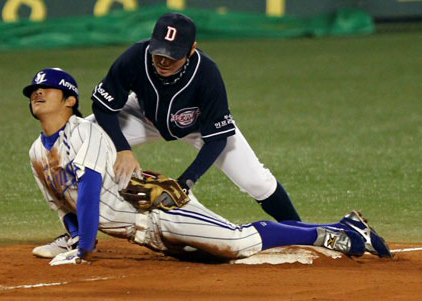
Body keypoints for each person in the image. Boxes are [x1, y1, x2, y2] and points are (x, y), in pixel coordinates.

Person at [23, 68, 391, 265]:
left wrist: (85, 248)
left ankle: (334, 230)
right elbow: (62, 204)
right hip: (143, 233)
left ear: (71, 100)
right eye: (33, 91)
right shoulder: (37, 153)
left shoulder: (86, 131)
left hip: (161, 213)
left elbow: (87, 190)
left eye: (47, 89)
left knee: (236, 242)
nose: (37, 93)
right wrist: (73, 236)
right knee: (210, 259)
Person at [88, 12, 300, 224]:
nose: (163, 60)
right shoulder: (135, 56)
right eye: (159, 52)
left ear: (191, 49)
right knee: (81, 137)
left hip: (199, 125)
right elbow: (103, 106)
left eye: (173, 55)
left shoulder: (207, 73)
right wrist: (122, 149)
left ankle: (302, 233)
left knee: (257, 182)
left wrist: (184, 183)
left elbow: (217, 139)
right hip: (144, 118)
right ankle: (76, 232)